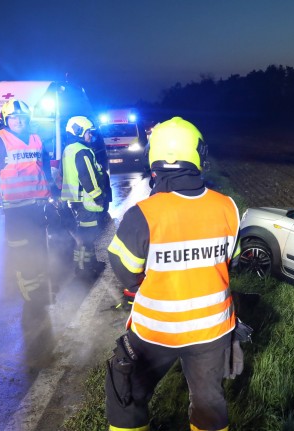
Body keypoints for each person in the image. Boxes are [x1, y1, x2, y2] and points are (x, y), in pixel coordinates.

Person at [105, 117, 240, 431]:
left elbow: (126, 273)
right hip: (212, 330)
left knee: (126, 395)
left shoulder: (143, 213)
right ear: (198, 156)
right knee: (209, 405)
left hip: (155, 332)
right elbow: (227, 263)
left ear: (155, 158)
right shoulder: (228, 208)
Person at [0, 98, 53, 307]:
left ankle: (40, 285)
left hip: (38, 204)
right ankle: (29, 291)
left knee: (39, 245)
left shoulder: (36, 139)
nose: (19, 122)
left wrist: (53, 193)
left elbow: (45, 168)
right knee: (22, 247)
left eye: (22, 118)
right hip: (15, 207)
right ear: (6, 119)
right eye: (14, 118)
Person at [60, 116, 107, 279]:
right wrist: (98, 195)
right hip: (87, 201)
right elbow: (87, 175)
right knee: (87, 236)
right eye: (88, 132)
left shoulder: (69, 149)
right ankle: (84, 269)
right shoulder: (82, 150)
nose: (90, 136)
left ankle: (89, 265)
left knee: (85, 235)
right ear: (79, 132)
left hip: (75, 201)